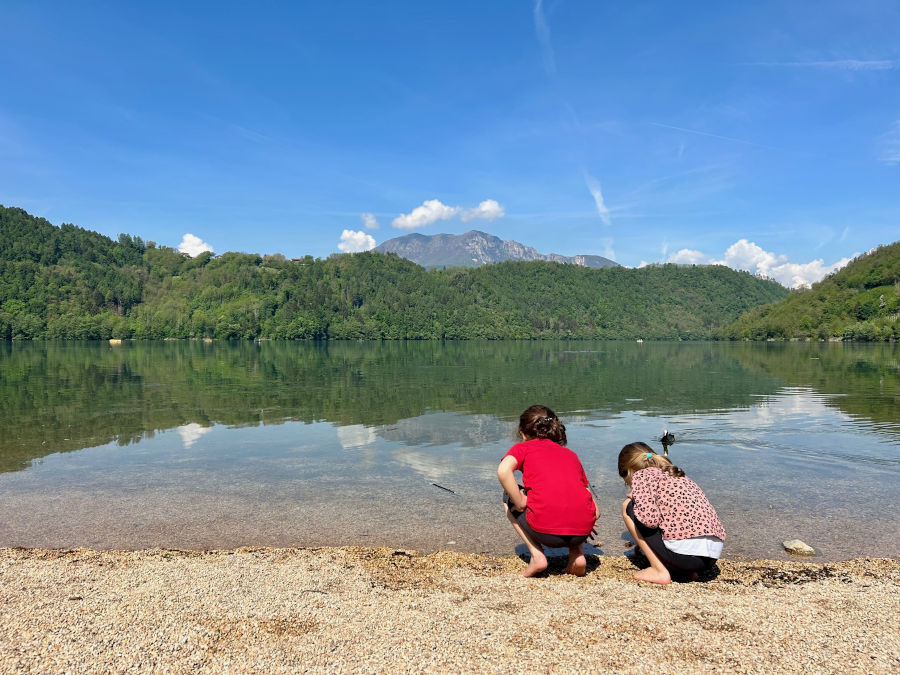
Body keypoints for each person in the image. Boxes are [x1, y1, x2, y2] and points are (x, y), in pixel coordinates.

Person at [498, 405, 600, 577]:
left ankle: (537, 556)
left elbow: (503, 471)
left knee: (508, 496)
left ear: (522, 433)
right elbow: (595, 510)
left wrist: (521, 501)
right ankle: (577, 554)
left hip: (545, 533)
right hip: (582, 532)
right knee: (568, 500)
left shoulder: (522, 448)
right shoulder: (570, 454)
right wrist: (583, 521)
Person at [618, 441, 726, 585]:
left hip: (685, 558)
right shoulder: (675, 474)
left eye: (625, 479)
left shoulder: (641, 476)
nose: (628, 484)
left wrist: (637, 501)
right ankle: (683, 571)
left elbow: (649, 521)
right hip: (711, 557)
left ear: (628, 471)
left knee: (628, 507)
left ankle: (659, 571)